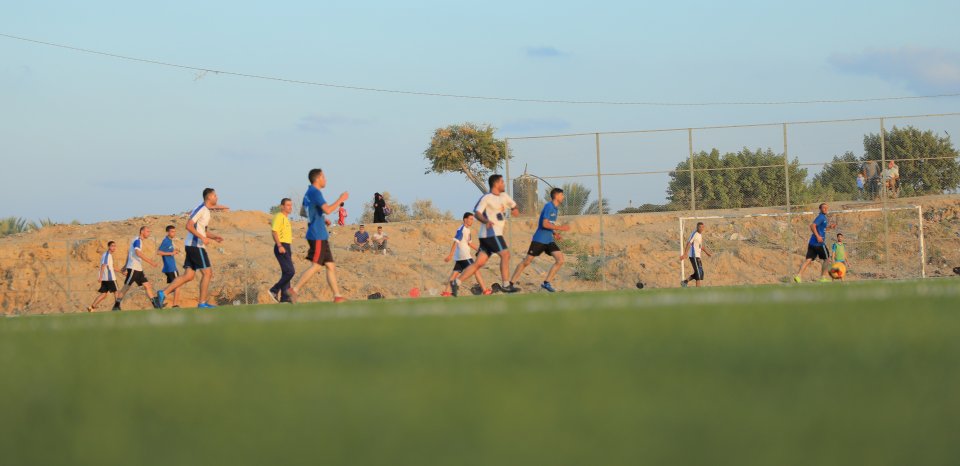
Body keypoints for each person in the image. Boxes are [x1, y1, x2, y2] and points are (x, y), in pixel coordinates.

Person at [157, 188, 230, 309]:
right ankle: (202, 303)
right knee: (207, 273)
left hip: (192, 245)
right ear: (209, 197)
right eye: (215, 195)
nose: (217, 197)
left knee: (189, 276)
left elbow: (203, 231)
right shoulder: (201, 209)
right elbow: (189, 225)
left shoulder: (206, 211)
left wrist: (214, 237)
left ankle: (163, 293)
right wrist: (202, 238)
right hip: (196, 246)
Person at [453, 174, 520, 296]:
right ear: (496, 184)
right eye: (502, 182)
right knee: (505, 254)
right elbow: (477, 213)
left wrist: (515, 209)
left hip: (488, 236)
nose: (504, 184)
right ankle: (506, 285)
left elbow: (514, 206)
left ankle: (456, 282)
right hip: (491, 234)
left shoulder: (504, 196)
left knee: (478, 264)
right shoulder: (487, 198)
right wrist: (485, 221)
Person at [290, 168, 349, 304]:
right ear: (318, 179)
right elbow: (328, 210)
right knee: (316, 266)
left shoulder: (308, 192)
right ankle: (294, 289)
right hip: (316, 235)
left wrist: (320, 218)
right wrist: (341, 199)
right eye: (324, 177)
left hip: (320, 233)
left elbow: (303, 212)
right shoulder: (315, 192)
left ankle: (337, 296)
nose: (326, 179)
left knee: (330, 266)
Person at [509, 187, 571, 292]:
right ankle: (510, 284)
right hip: (539, 239)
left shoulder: (555, 209)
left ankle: (546, 283)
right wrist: (561, 228)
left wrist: (555, 233)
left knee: (560, 260)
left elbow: (550, 224)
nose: (563, 197)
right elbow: (544, 224)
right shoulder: (549, 206)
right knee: (526, 262)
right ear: (556, 196)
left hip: (549, 240)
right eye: (561, 195)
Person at [441, 213, 491, 297]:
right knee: (476, 270)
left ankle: (446, 292)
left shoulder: (467, 230)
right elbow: (455, 242)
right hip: (464, 255)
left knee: (454, 274)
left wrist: (480, 250)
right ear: (465, 219)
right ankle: (485, 290)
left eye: (473, 219)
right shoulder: (461, 229)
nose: (472, 221)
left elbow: (469, 243)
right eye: (470, 219)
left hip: (460, 257)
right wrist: (450, 255)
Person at [115, 226, 161, 310]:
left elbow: (129, 253)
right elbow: (137, 253)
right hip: (133, 268)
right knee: (126, 287)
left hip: (138, 269)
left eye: (149, 232)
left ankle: (156, 305)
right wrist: (151, 262)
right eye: (147, 231)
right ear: (142, 232)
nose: (149, 233)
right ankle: (116, 306)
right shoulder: (137, 240)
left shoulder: (136, 240)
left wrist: (125, 265)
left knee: (147, 286)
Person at [794, 203, 836, 283]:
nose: (826, 209)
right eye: (824, 208)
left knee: (808, 259)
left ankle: (798, 276)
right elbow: (812, 226)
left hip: (812, 243)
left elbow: (823, 230)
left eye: (827, 208)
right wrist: (818, 236)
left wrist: (830, 227)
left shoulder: (823, 218)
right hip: (819, 243)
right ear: (820, 209)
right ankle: (823, 277)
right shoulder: (821, 217)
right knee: (827, 259)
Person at [269, 198, 295, 303]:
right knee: (291, 271)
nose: (290, 207)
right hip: (281, 246)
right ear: (282, 206)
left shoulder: (286, 218)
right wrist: (279, 245)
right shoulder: (279, 216)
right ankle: (274, 290)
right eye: (288, 205)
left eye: (291, 205)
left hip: (286, 246)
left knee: (286, 272)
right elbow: (274, 231)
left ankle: (285, 298)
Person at [87, 241, 119, 312]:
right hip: (110, 278)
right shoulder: (107, 255)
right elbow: (103, 266)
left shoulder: (107, 255)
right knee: (116, 292)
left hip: (105, 278)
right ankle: (117, 308)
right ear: (109, 247)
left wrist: (121, 272)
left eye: (115, 246)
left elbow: (111, 267)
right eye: (112, 246)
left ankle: (92, 307)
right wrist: (100, 277)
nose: (114, 247)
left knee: (104, 294)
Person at [679, 222, 712, 287]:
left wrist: (707, 253)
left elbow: (700, 246)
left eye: (702, 227)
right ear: (697, 227)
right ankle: (698, 290)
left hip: (698, 256)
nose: (701, 228)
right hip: (693, 256)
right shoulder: (694, 233)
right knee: (698, 274)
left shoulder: (700, 235)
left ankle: (685, 282)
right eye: (700, 227)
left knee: (700, 273)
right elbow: (689, 243)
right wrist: (685, 254)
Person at [156, 225, 182, 308]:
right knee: (177, 285)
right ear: (168, 232)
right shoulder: (166, 241)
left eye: (175, 231)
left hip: (170, 267)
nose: (174, 233)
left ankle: (160, 295)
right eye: (172, 231)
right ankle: (175, 305)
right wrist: (171, 253)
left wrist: (174, 251)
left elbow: (167, 251)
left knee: (174, 286)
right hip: (171, 268)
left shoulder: (170, 241)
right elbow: (158, 252)